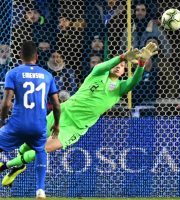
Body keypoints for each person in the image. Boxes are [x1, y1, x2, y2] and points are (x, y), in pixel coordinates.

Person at [0, 42, 158, 187]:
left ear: (124, 71)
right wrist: (121, 57)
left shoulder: (119, 88)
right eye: (117, 64)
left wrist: (142, 63)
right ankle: (18, 166)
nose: (119, 66)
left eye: (123, 66)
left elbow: (134, 81)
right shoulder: (96, 74)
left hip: (74, 128)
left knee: (40, 149)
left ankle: (5, 166)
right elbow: (104, 66)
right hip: (61, 114)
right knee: (26, 146)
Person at [0, 41, 61, 199]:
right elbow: (56, 104)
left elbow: (7, 102)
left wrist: (2, 120)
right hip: (38, 126)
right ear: (37, 56)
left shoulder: (13, 73)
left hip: (17, 124)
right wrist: (56, 124)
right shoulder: (47, 75)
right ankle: (40, 190)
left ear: (20, 56)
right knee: (41, 150)